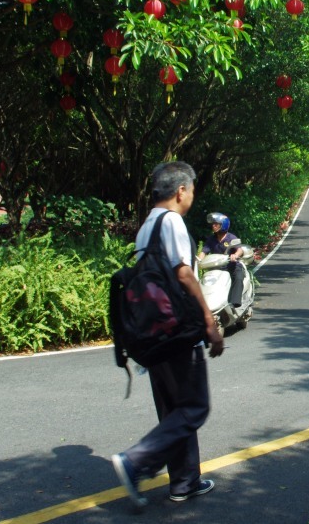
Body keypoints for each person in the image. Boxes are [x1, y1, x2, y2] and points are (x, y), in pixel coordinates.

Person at [111, 161, 225, 512]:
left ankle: (184, 482)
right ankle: (136, 461)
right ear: (180, 191)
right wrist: (209, 322)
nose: (191, 197)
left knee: (173, 409)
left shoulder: (146, 225)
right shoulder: (172, 220)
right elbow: (184, 273)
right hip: (176, 329)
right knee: (194, 406)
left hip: (151, 332)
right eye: (191, 191)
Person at [199, 212, 244, 308]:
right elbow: (204, 251)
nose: (213, 226)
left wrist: (235, 255)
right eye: (213, 224)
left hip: (232, 266)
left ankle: (235, 303)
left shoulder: (231, 237)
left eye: (216, 224)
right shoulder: (211, 239)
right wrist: (197, 260)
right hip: (216, 268)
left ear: (223, 225)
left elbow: (239, 249)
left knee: (238, 277)